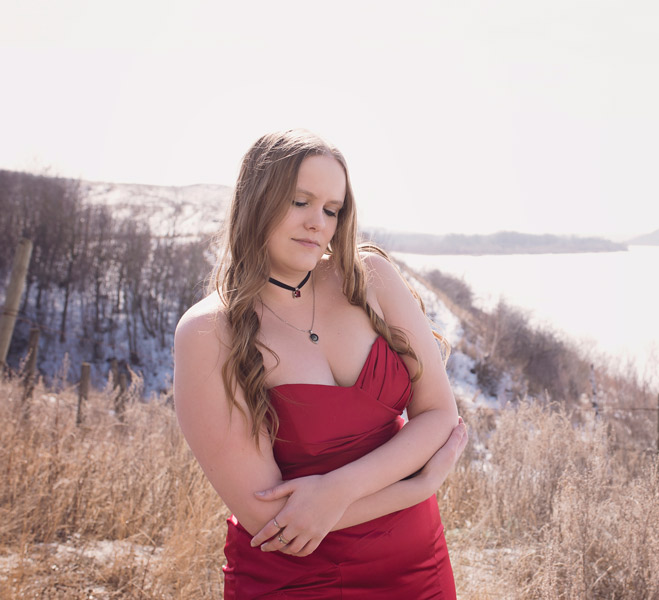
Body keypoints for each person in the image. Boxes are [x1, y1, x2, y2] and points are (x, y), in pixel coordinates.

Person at [173, 129, 467, 599]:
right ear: (256, 200)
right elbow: (269, 519)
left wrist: (337, 489)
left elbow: (438, 413)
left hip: (419, 567)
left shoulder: (370, 278)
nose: (318, 223)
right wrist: (417, 486)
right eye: (300, 202)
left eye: (332, 209)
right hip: (297, 579)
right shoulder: (210, 332)